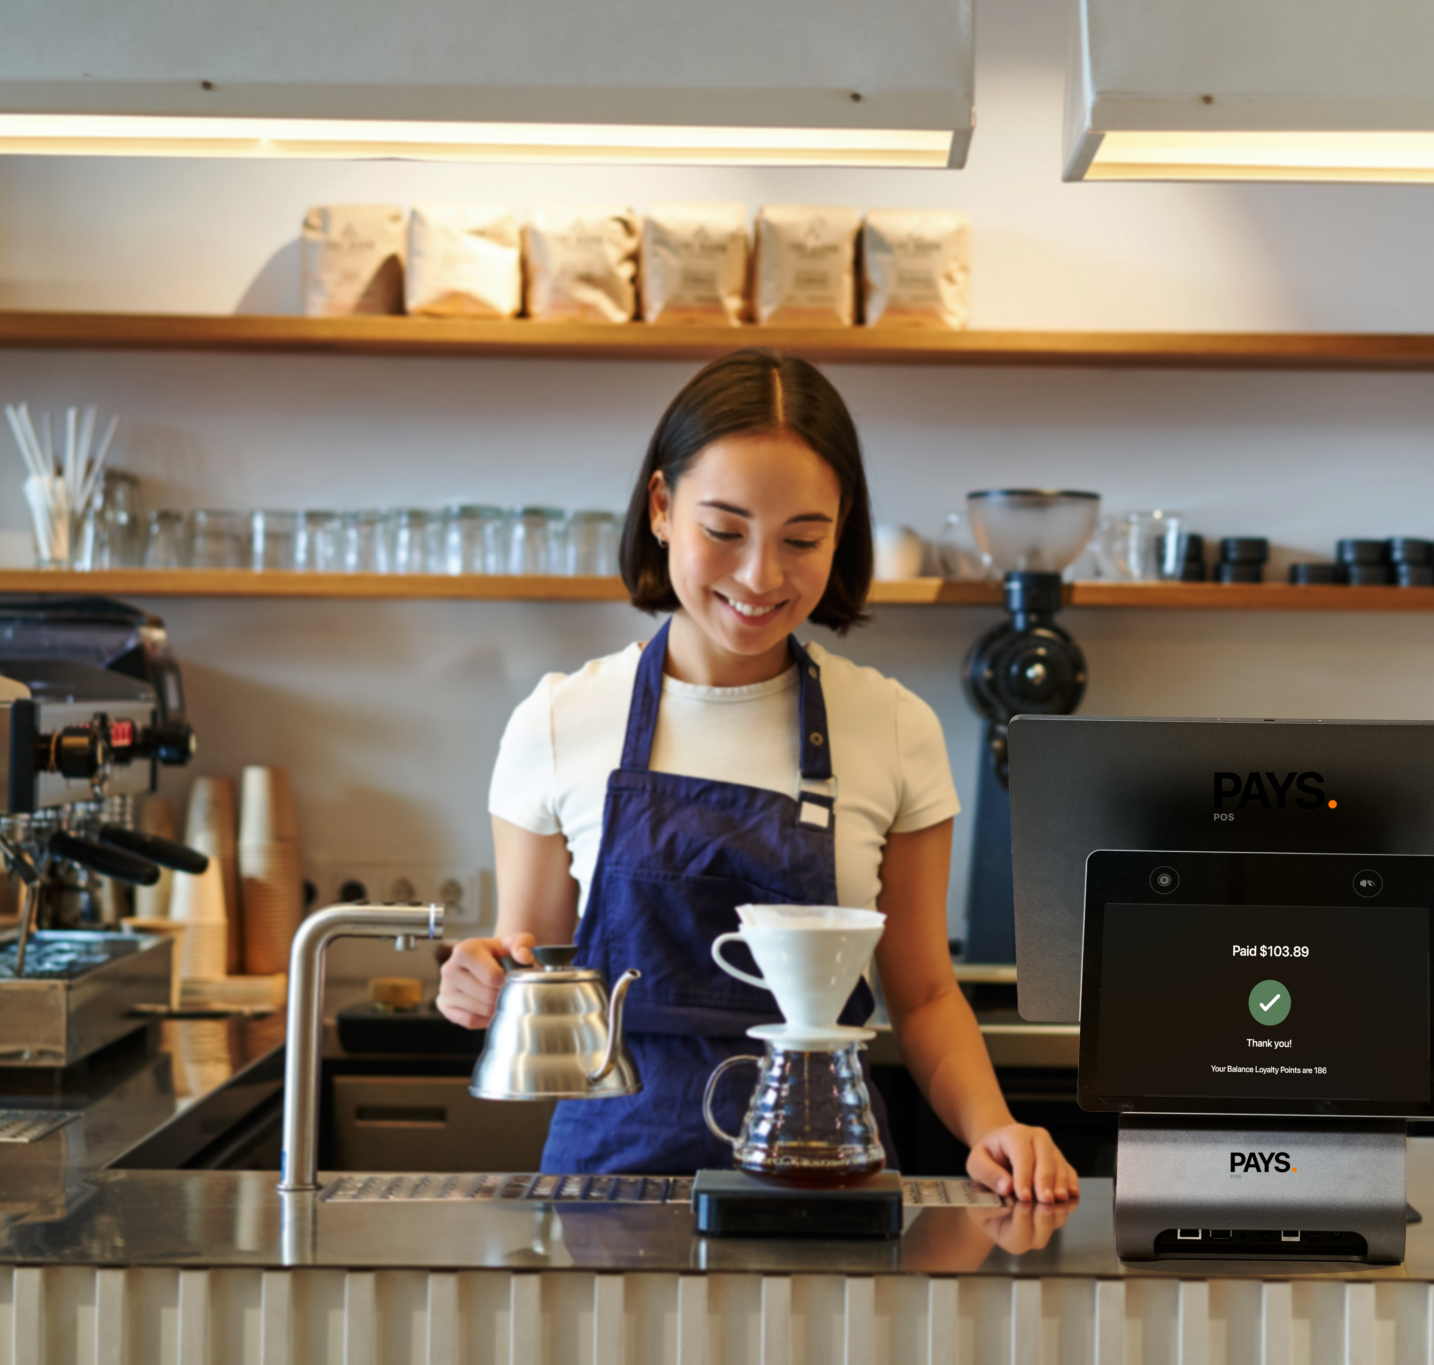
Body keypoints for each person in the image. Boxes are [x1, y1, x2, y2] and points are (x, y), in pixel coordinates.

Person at [437, 348, 1077, 1202]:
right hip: (610, 1190)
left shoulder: (893, 728)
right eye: (725, 530)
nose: (760, 576)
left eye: (802, 538)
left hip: (831, 1183)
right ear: (662, 507)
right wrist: (478, 977)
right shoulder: (556, 722)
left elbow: (922, 995)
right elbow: (535, 969)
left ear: (840, 528)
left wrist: (993, 1126)